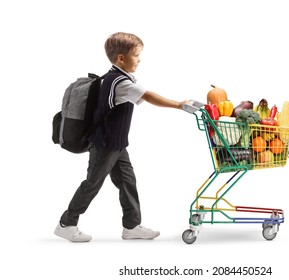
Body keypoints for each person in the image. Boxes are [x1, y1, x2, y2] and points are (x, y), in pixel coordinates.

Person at [54, 32, 188, 242]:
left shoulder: (116, 77)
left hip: (116, 144)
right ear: (121, 58)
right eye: (136, 55)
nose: (140, 60)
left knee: (127, 182)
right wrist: (178, 104)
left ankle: (132, 226)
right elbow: (148, 95)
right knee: (92, 184)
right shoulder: (119, 82)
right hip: (105, 144)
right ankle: (66, 223)